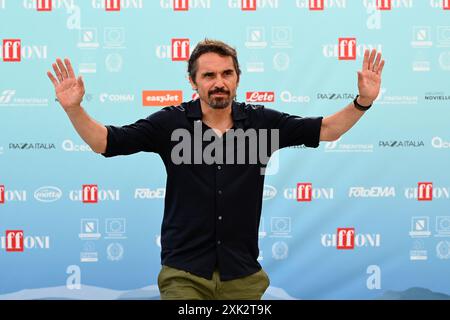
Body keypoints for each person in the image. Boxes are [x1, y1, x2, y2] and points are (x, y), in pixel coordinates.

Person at [47, 39, 385, 300]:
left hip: (243, 276)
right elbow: (106, 142)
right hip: (184, 275)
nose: (219, 82)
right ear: (193, 81)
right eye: (209, 75)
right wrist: (74, 110)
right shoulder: (171, 122)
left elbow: (328, 130)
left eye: (227, 73)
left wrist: (363, 102)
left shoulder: (261, 123)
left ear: (238, 78)